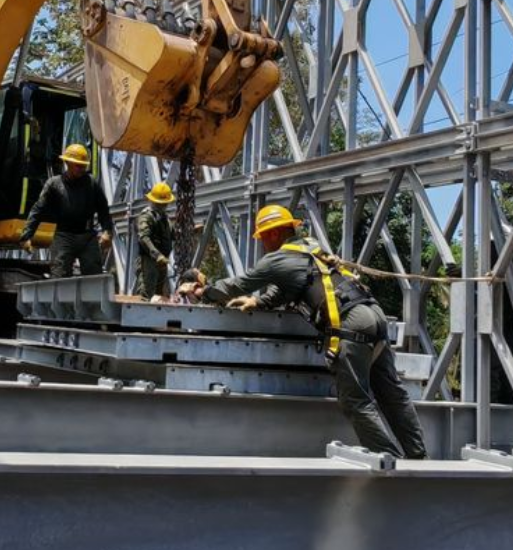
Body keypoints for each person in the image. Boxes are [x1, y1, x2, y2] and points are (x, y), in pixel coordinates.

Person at [180, 204, 426, 459]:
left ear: (273, 234)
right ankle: (419, 459)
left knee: (356, 401)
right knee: (392, 395)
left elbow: (236, 286)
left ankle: (391, 463)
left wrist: (202, 291)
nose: (262, 243)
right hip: (373, 314)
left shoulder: (277, 259)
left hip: (350, 324)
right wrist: (260, 301)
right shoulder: (312, 246)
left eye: (262, 237)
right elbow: (296, 285)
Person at [19, 143, 114, 278]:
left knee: (94, 276)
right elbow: (38, 210)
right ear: (67, 163)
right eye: (78, 165)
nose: (82, 169)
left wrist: (107, 232)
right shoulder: (54, 184)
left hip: (87, 237)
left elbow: (103, 210)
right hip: (63, 236)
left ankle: (93, 299)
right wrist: (26, 236)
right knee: (60, 275)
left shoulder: (91, 184)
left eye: (84, 165)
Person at [135, 181, 179, 298]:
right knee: (146, 293)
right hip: (149, 260)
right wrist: (157, 255)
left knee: (158, 296)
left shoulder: (164, 217)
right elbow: (144, 237)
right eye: (161, 203)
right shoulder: (146, 216)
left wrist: (191, 230)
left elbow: (172, 235)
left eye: (164, 204)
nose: (163, 206)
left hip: (162, 261)